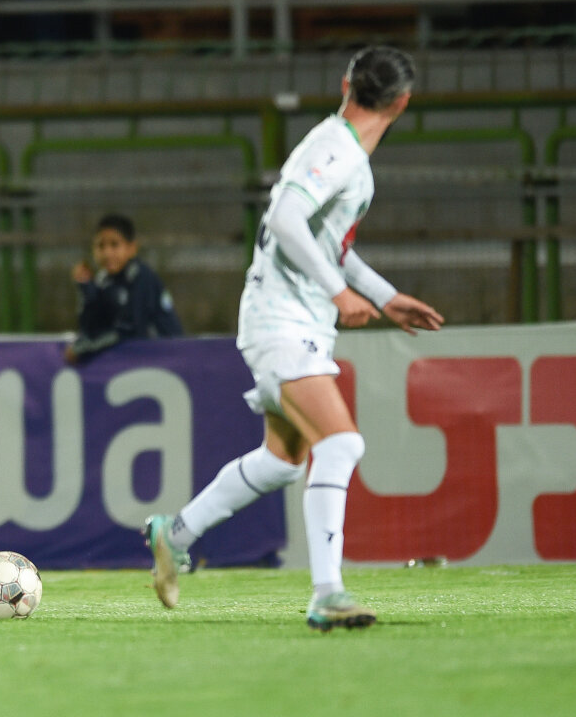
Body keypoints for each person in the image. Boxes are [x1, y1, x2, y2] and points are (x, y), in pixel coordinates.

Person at [143, 46, 445, 631]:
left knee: (283, 460)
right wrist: (338, 292)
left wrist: (383, 296)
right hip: (283, 321)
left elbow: (325, 244)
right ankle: (328, 592)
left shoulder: (340, 150)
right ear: (403, 103)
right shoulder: (338, 150)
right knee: (341, 444)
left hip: (289, 320)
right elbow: (285, 219)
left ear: (346, 84)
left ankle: (174, 534)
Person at [64, 213, 183, 364]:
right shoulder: (102, 280)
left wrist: (82, 348)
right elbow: (92, 328)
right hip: (137, 363)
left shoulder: (141, 276)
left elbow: (131, 329)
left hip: (167, 359)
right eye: (100, 246)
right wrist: (87, 289)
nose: (107, 253)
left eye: (114, 245)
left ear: (132, 248)